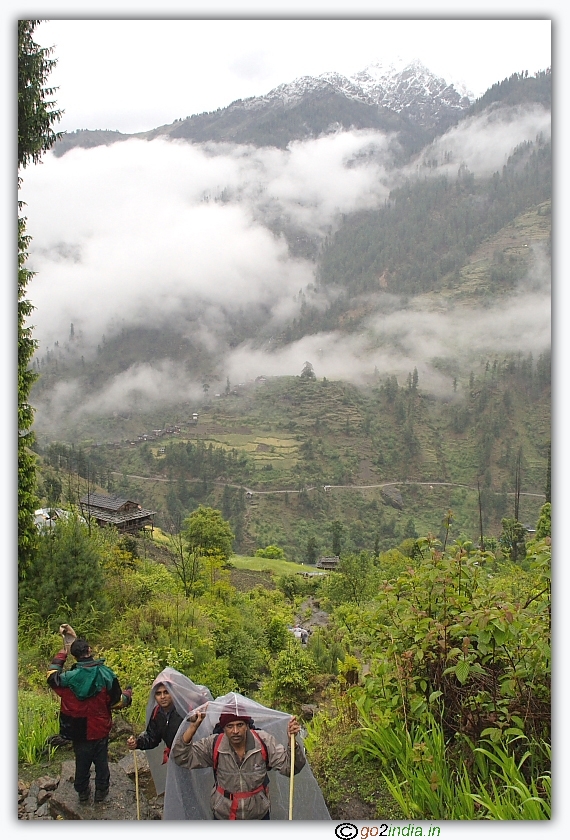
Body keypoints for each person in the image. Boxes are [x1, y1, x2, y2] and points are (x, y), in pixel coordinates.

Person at [170, 701, 306, 820]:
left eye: (240, 725)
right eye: (230, 726)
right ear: (223, 728)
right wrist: (193, 727)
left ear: (247, 725)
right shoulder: (214, 744)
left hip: (258, 816)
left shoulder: (263, 741)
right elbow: (182, 757)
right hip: (224, 815)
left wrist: (291, 742)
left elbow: (291, 767)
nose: (235, 731)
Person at [46, 625, 132, 804]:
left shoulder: (68, 678)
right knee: (101, 762)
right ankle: (101, 793)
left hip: (78, 731)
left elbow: (52, 676)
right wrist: (128, 695)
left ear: (75, 655)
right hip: (100, 729)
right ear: (90, 651)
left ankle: (83, 793)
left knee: (81, 762)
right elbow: (117, 702)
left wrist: (63, 652)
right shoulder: (106, 675)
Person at [126, 681, 184, 763]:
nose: (162, 697)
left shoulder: (182, 710)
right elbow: (152, 737)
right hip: (175, 757)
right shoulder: (157, 713)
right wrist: (137, 743)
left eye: (166, 692)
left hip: (192, 755)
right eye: (158, 693)